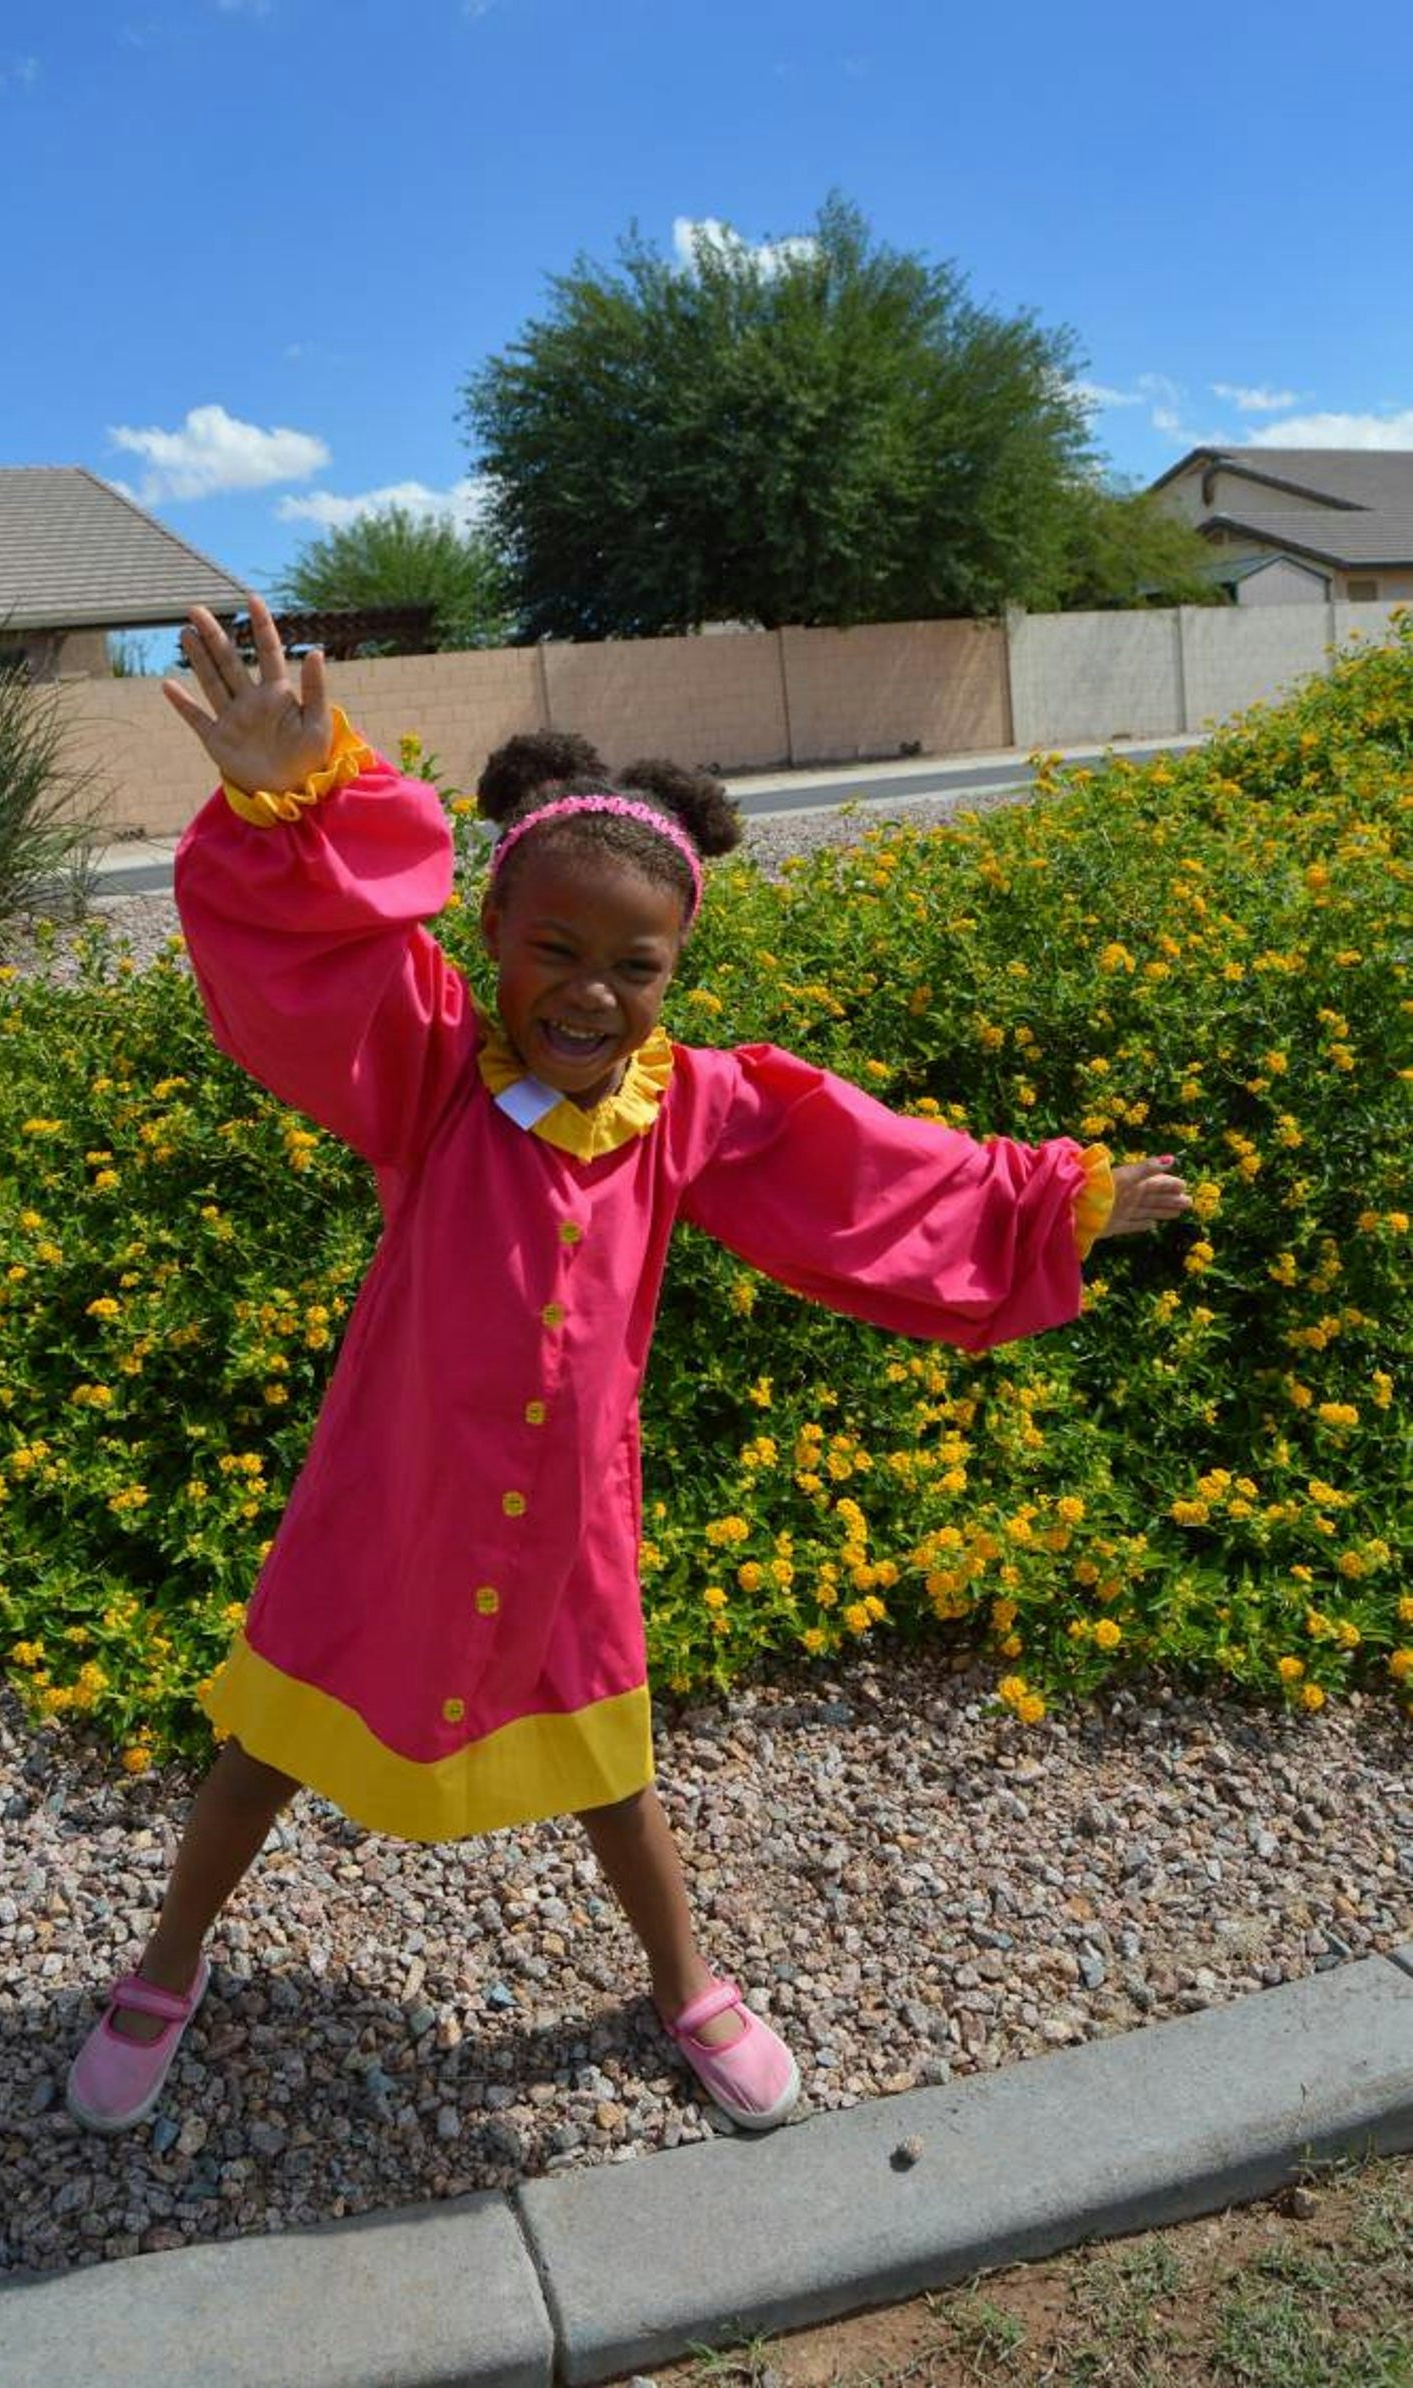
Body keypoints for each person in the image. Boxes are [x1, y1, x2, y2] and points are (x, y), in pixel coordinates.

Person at [66, 594, 1190, 2137]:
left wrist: (1050, 1200)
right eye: (557, 950)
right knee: (272, 1736)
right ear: (493, 944)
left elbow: (874, 1178)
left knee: (608, 1757)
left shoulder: (697, 1106)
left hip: (564, 1516)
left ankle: (683, 1981)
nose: (591, 991)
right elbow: (311, 959)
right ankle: (167, 1961)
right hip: (388, 1492)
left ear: (677, 972)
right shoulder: (430, 1077)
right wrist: (288, 799)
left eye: (636, 965)